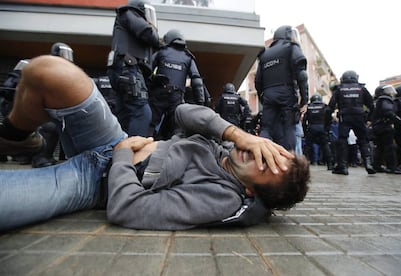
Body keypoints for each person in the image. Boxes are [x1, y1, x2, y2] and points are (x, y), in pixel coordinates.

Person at [0, 55, 310, 232]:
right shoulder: (229, 150)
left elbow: (129, 210)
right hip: (111, 140)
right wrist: (238, 133)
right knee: (46, 70)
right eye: (271, 150)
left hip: (94, 180)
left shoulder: (223, 197)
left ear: (252, 191)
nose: (261, 152)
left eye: (266, 164)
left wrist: (121, 158)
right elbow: (183, 113)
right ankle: (19, 140)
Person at [0, 42, 74, 168]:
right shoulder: (30, 65)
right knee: (50, 127)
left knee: (53, 124)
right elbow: (8, 88)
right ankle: (41, 157)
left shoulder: (59, 73)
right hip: (15, 106)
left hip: (33, 109)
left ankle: (24, 155)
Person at [107, 0, 160, 137]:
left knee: (124, 115)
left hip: (123, 71)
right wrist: (159, 43)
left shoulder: (126, 18)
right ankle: (134, 155)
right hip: (127, 69)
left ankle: (119, 152)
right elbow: (148, 32)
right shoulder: (128, 12)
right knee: (142, 112)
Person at [255, 25, 308, 151]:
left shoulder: (264, 55)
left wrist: (262, 98)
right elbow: (302, 75)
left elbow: (257, 81)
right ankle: (288, 160)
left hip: (268, 94)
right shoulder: (291, 47)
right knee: (288, 127)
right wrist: (304, 100)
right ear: (288, 34)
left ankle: (263, 157)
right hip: (286, 92)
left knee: (266, 128)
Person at [149, 29, 205, 140]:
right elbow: (197, 80)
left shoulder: (161, 52)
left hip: (158, 94)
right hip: (176, 97)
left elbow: (147, 69)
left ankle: (145, 147)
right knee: (176, 128)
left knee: (151, 124)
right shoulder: (188, 57)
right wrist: (200, 103)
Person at [327, 70, 375, 175]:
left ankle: (343, 167)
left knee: (343, 140)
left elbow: (330, 106)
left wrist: (328, 120)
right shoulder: (361, 88)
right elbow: (371, 105)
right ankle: (368, 164)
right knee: (363, 140)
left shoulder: (339, 89)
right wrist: (368, 118)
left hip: (345, 117)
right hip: (359, 116)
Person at [371, 85, 401, 174]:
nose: (390, 92)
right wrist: (399, 120)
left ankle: (376, 166)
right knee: (390, 147)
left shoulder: (377, 101)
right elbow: (388, 111)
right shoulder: (385, 100)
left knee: (380, 147)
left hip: (377, 126)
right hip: (385, 126)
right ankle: (392, 167)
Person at [303, 93, 334, 170]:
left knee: (308, 147)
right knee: (325, 146)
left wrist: (305, 131)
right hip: (322, 128)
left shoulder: (309, 107)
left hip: (311, 128)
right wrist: (327, 129)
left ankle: (304, 164)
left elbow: (304, 121)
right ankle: (330, 164)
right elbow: (329, 119)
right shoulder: (325, 106)